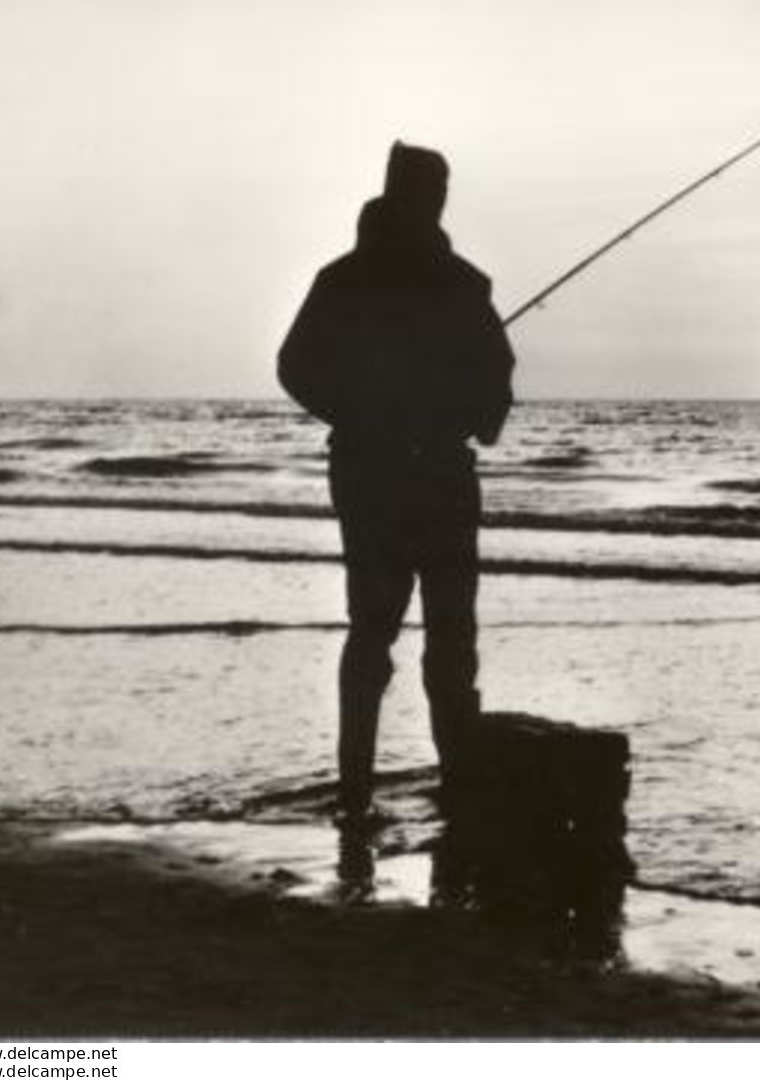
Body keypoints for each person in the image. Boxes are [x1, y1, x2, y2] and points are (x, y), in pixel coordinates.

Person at [278, 141, 516, 823]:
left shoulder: (357, 279)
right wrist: (467, 413)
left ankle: (377, 789)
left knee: (396, 635)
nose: (433, 203)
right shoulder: (452, 285)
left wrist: (360, 410)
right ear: (420, 196)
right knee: (431, 637)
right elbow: (495, 388)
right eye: (430, 192)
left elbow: (297, 367)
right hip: (417, 475)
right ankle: (425, 790)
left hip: (377, 474)